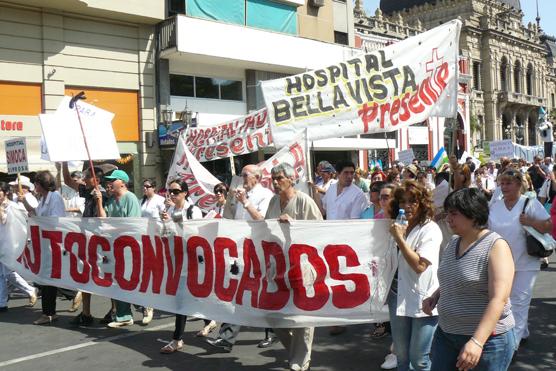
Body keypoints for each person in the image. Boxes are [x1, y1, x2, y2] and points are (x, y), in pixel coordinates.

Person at [423, 188, 516, 370]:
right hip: (447, 335)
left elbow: (499, 299)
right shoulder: (454, 242)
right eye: (448, 212)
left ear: (473, 215)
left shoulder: (496, 246)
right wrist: (436, 296)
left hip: (489, 341)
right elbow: (454, 277)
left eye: (454, 214)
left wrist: (477, 341)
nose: (448, 218)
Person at [251, 163, 322, 371]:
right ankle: (296, 352)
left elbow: (320, 232)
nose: (275, 182)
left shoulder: (304, 202)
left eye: (279, 178)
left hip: (302, 265)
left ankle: (301, 360)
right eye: (273, 178)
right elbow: (266, 228)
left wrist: (295, 224)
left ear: (291, 179)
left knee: (303, 314)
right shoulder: (274, 201)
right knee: (272, 313)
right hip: (278, 265)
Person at [206, 164, 276, 352]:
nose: (242, 178)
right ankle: (226, 337)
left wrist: (245, 202)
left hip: (259, 249)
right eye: (241, 175)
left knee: (263, 293)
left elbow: (262, 220)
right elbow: (234, 220)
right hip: (240, 249)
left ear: (257, 177)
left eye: (245, 175)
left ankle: (274, 331)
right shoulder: (239, 194)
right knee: (236, 291)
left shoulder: (266, 195)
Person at [488, 169, 552, 347]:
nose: (504, 187)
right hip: (500, 263)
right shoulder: (494, 206)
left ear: (518, 185)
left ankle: (512, 344)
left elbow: (549, 226)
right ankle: (521, 331)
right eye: (502, 183)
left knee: (519, 301)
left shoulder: (529, 203)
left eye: (508, 183)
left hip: (526, 261)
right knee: (504, 300)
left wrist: (531, 222)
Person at [387, 180, 442, 371]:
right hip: (397, 295)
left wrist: (400, 239)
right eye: (402, 201)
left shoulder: (430, 229)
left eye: (413, 201)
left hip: (423, 299)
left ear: (422, 203)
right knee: (401, 356)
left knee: (419, 359)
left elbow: (420, 265)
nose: (407, 206)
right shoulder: (395, 226)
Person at [159, 180, 215, 353]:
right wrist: (166, 224)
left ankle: (176, 339)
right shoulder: (169, 210)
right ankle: (209, 320)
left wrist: (175, 223)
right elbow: (165, 235)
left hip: (193, 261)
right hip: (178, 259)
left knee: (181, 300)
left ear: (185, 193)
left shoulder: (193, 210)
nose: (172, 194)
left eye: (176, 191)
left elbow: (197, 236)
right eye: (170, 191)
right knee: (193, 296)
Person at [312, 160, 367, 336]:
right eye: (346, 173)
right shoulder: (330, 189)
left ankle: (342, 318)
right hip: (328, 242)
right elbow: (323, 211)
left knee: (342, 281)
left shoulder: (357, 194)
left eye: (352, 173)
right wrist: (313, 193)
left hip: (345, 243)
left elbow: (353, 222)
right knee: (328, 279)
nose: (350, 176)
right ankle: (334, 317)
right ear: (338, 173)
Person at [62, 162, 108, 326]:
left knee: (106, 277)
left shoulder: (102, 194)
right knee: (86, 276)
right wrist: (64, 163)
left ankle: (116, 310)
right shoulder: (88, 191)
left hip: (100, 242)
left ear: (96, 179)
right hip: (87, 240)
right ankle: (86, 313)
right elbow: (68, 180)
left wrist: (99, 201)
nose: (83, 179)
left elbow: (103, 219)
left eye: (87, 176)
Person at [18, 171, 66, 325]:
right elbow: (36, 214)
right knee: (46, 277)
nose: (35, 186)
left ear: (42, 184)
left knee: (48, 278)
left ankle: (49, 312)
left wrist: (41, 221)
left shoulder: (55, 197)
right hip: (45, 243)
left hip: (54, 243)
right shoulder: (43, 198)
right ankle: (49, 312)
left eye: (37, 183)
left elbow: (55, 219)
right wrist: (25, 202)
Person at [100, 170, 142, 328]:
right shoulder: (110, 201)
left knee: (132, 280)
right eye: (108, 180)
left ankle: (144, 305)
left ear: (122, 183)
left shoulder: (130, 198)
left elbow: (132, 224)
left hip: (129, 247)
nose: (108, 183)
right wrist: (99, 201)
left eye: (112, 180)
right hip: (114, 248)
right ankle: (123, 315)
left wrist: (114, 229)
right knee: (118, 280)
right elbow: (103, 220)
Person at [0, 181, 38, 312]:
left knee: (8, 273)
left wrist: (26, 238)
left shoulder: (13, 206)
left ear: (5, 193)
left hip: (11, 243)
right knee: (1, 274)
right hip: (0, 243)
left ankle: (31, 289)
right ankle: (2, 303)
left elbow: (29, 216)